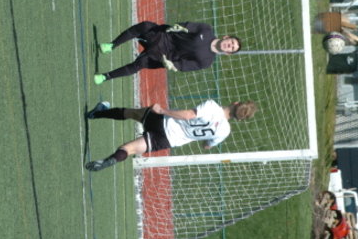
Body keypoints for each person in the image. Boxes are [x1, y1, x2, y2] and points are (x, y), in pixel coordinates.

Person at [84, 99, 257, 172]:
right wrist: (204, 141)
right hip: (168, 140)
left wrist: (163, 111)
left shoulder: (212, 106)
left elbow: (189, 115)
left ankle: (96, 113)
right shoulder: (225, 131)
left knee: (131, 113)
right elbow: (207, 145)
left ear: (235, 103)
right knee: (128, 149)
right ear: (239, 119)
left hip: (164, 121)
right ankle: (110, 160)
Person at [94, 21, 241, 84]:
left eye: (231, 48)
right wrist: (179, 27)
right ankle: (112, 45)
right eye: (231, 42)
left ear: (228, 53)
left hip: (165, 56)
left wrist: (171, 65)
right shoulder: (206, 30)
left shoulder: (207, 61)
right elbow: (188, 26)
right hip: (164, 37)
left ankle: (105, 77)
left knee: (139, 64)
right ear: (226, 37)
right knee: (145, 26)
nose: (229, 45)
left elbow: (184, 66)